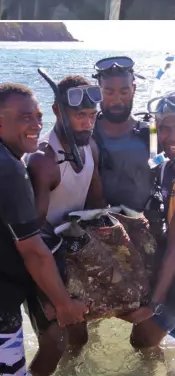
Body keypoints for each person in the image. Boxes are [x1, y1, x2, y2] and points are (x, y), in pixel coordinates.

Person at [0, 83, 87, 376]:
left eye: (37, 116)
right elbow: (33, 251)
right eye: (25, 117)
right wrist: (64, 305)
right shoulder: (7, 170)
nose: (36, 124)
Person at [23, 75, 106, 376]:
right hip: (42, 264)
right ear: (58, 111)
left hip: (73, 259)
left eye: (91, 115)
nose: (87, 123)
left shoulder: (91, 148)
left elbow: (97, 208)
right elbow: (28, 237)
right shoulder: (43, 159)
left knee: (80, 338)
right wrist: (48, 296)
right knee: (54, 345)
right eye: (79, 115)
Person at [124, 93, 175, 348]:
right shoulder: (167, 168)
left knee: (143, 338)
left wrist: (154, 304)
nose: (172, 136)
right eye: (165, 128)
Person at [92, 56, 151, 212]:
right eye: (109, 92)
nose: (116, 100)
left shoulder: (151, 134)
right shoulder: (86, 134)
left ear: (134, 89)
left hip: (143, 225)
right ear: (98, 92)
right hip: (98, 224)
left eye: (124, 91)